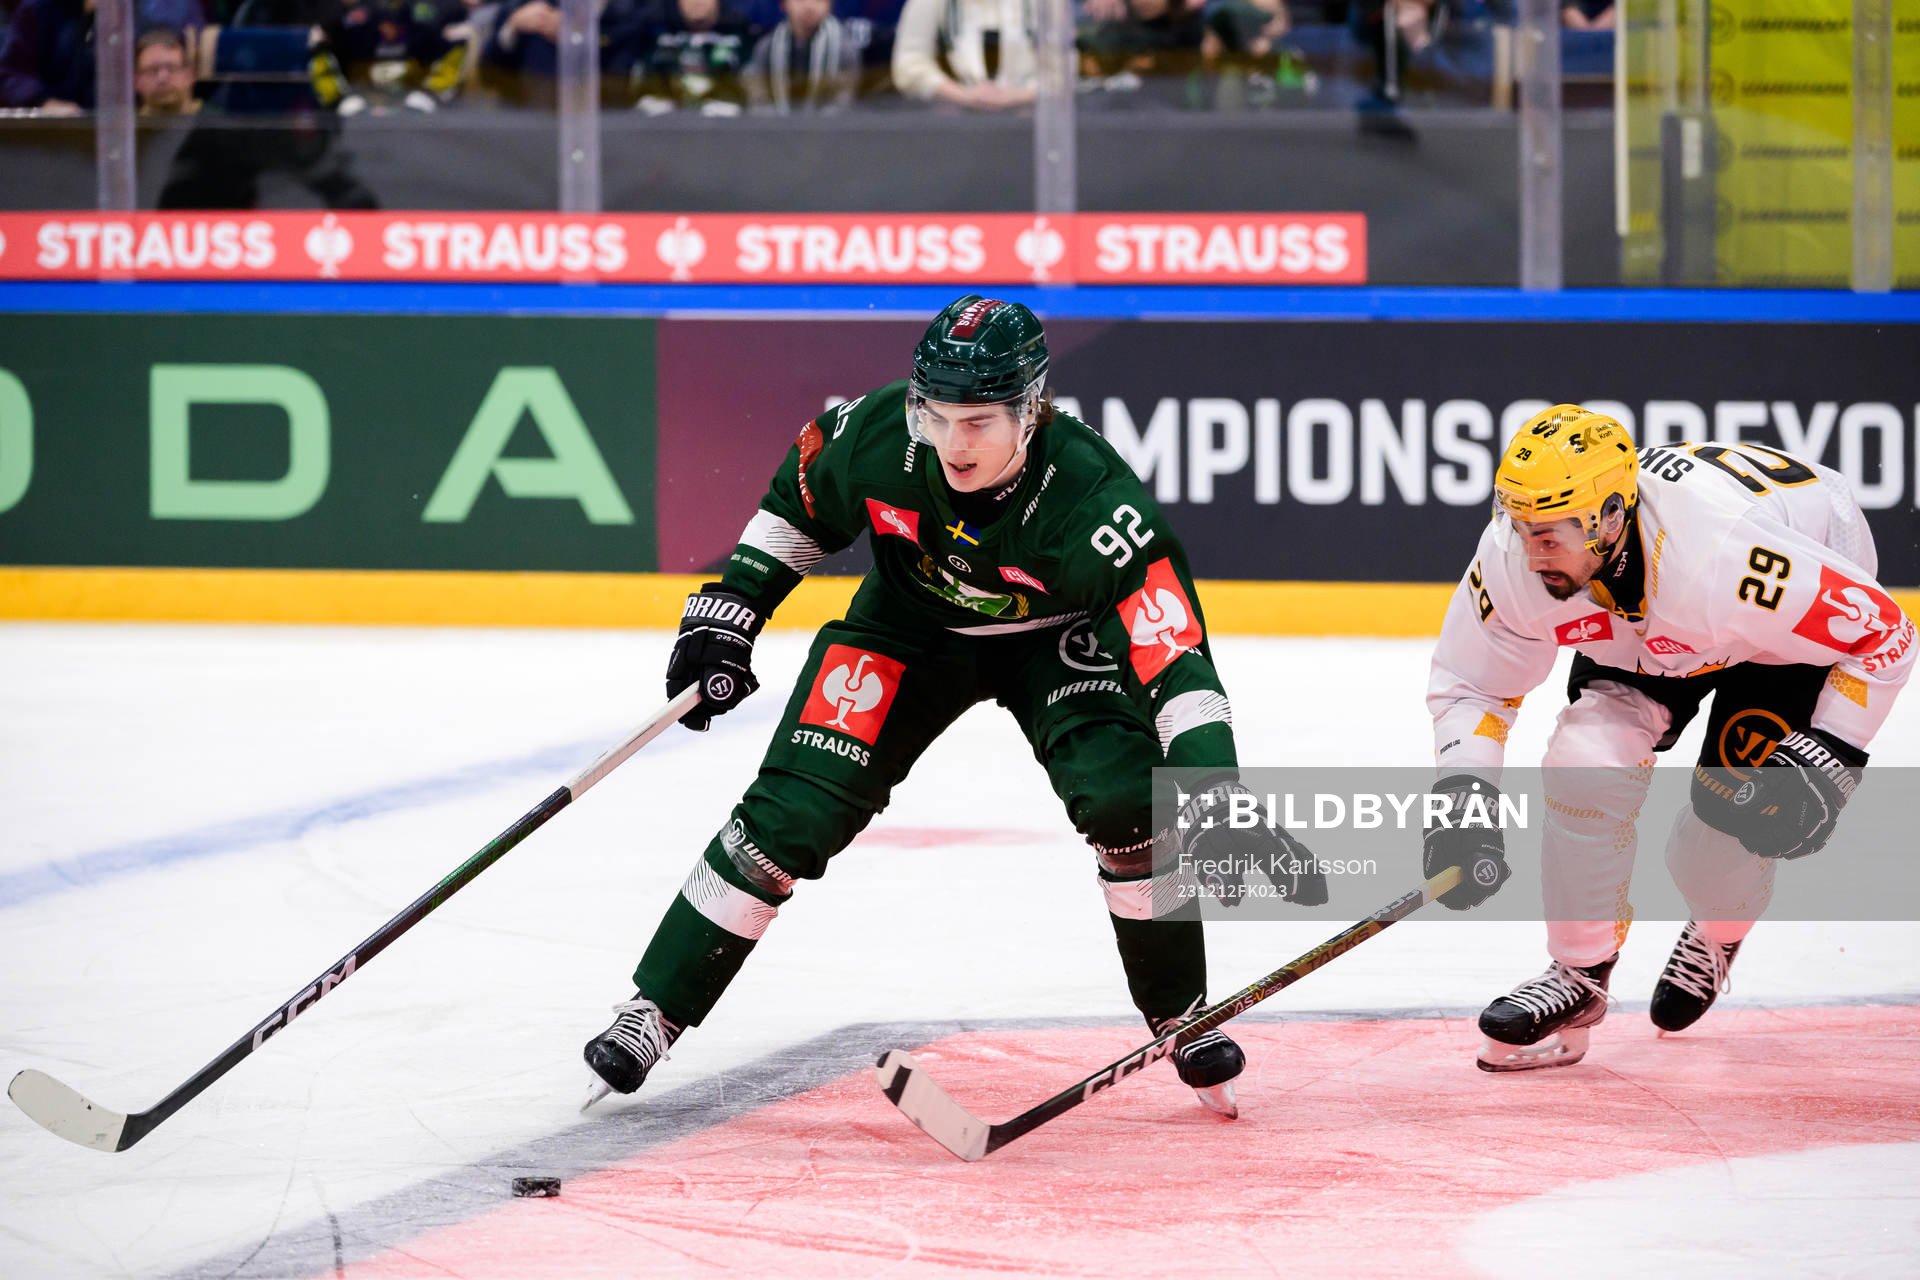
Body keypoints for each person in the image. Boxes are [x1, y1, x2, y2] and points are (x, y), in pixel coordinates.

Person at [581, 295, 1327, 1117]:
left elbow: (1177, 666)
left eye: (977, 422)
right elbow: (798, 513)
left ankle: (1181, 1011)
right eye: (935, 416)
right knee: (790, 814)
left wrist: (1213, 789)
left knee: (1130, 803)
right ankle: (654, 1009)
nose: (951, 443)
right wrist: (734, 611)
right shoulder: (876, 434)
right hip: (909, 626)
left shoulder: (1097, 504)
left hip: (1055, 642)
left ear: (1031, 410)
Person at [1423, 404, 1913, 1072]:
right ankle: (1578, 975)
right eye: (1521, 525)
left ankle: (1721, 924)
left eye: (1552, 533)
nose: (1533, 553)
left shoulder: (1731, 560)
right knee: (1583, 761)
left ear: (1613, 515)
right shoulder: (1515, 558)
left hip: (1776, 625)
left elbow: (1885, 630)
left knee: (1716, 839)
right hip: (1655, 623)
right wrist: (1464, 800)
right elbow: (1472, 687)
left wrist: (1833, 752)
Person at [890, 0, 1034, 109]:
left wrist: (1020, 96)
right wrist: (962, 95)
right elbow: (909, 63)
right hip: (957, 116)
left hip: (1035, 118)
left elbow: (1056, 67)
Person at [745, 0, 859, 113]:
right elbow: (757, 98)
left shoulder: (845, 49)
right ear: (784, 4)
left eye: (819, 0)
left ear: (830, 4)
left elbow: (844, 99)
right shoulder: (766, 48)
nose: (809, 6)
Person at [135, 27, 200, 114]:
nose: (162, 78)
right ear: (136, 81)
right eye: (152, 71)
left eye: (172, 69)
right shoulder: (123, 126)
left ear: (190, 75)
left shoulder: (217, 122)